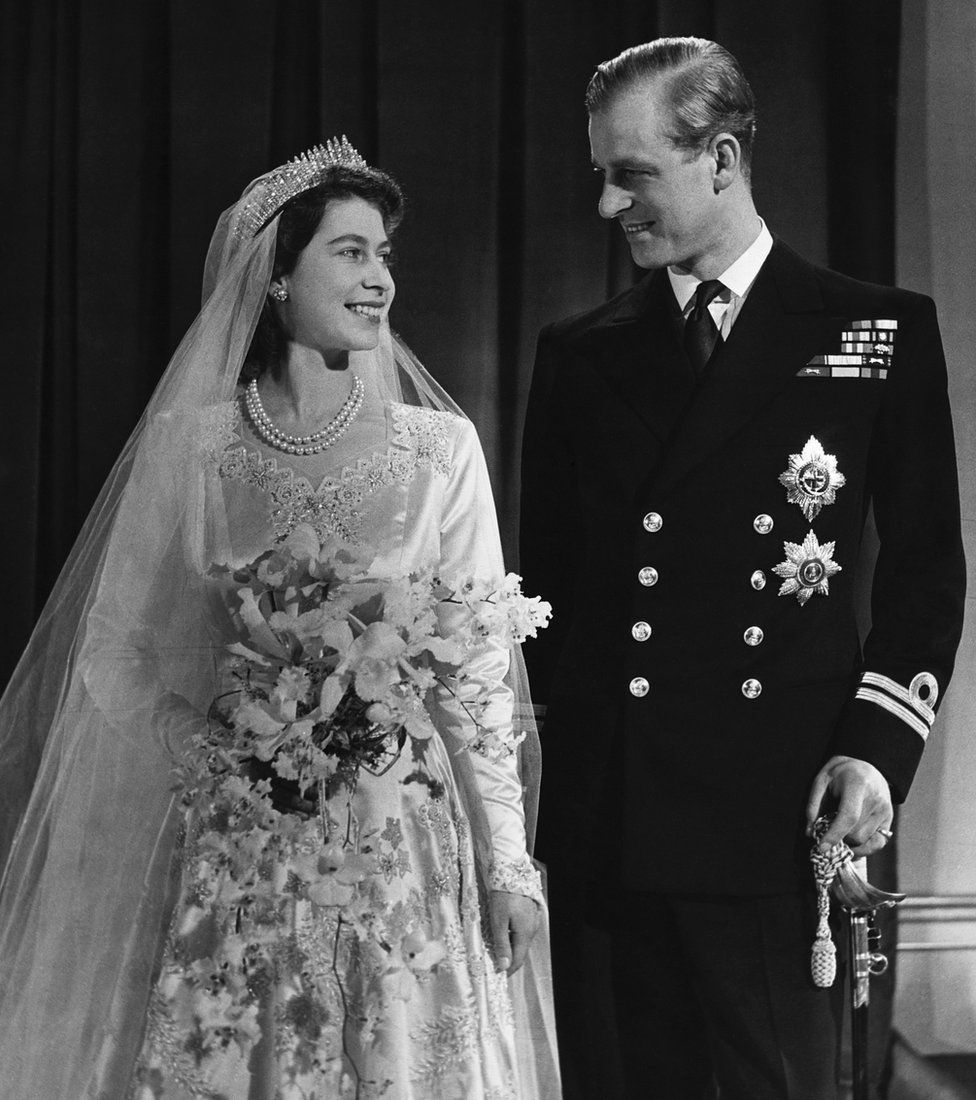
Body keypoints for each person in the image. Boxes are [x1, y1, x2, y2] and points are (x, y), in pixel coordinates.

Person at [0, 140, 560, 1099]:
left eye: (383, 253)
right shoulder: (195, 450)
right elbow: (112, 646)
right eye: (349, 252)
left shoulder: (441, 450)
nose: (379, 278)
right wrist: (204, 744)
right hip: (247, 841)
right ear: (273, 278)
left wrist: (510, 867)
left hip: (402, 845)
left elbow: (476, 678)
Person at [519, 37, 965, 1100]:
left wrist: (873, 751)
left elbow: (923, 573)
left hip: (775, 812)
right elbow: (550, 602)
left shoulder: (873, 331)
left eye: (632, 174)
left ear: (721, 158)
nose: (606, 204)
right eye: (600, 174)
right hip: (612, 822)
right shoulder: (579, 354)